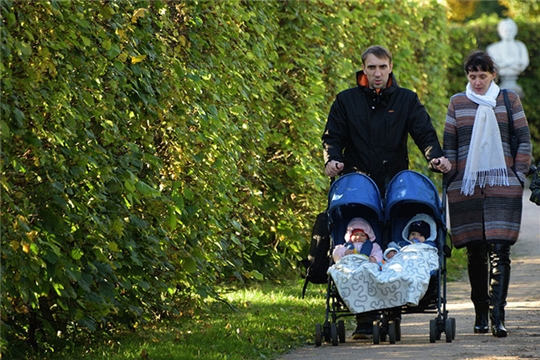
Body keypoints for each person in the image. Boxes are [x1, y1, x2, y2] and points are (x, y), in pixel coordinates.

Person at [322, 44, 451, 339]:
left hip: (394, 186)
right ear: (363, 70)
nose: (377, 73)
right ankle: (364, 321)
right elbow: (332, 136)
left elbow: (424, 132)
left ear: (391, 66)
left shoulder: (406, 100)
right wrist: (332, 159)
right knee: (361, 251)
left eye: (382, 67)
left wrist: (435, 156)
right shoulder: (346, 101)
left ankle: (392, 313)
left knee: (392, 250)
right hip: (359, 187)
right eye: (371, 68)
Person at [443, 50, 532, 338]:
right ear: (467, 76)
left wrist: (518, 175)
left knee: (500, 250)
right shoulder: (457, 103)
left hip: (502, 185)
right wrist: (451, 174)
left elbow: (523, 139)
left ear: (492, 74)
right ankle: (480, 314)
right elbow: (451, 144)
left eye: (483, 76)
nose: (478, 82)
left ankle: (498, 316)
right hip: (466, 188)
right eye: (472, 76)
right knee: (475, 253)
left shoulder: (508, 100)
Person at [486, 18, 529, 96]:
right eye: (505, 30)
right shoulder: (492, 49)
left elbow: (524, 62)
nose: (508, 33)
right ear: (500, 32)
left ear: (515, 31)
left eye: (510, 30)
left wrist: (505, 64)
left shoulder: (521, 47)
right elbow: (495, 64)